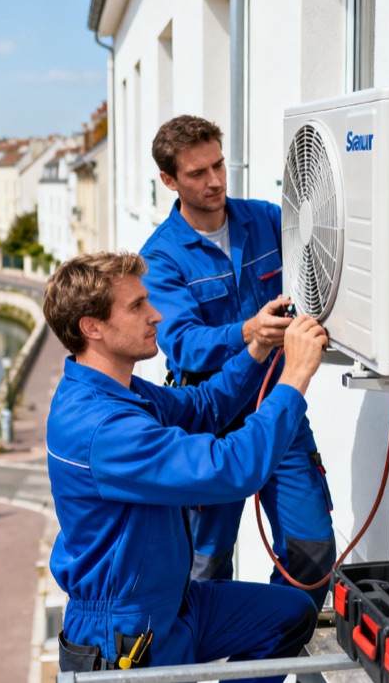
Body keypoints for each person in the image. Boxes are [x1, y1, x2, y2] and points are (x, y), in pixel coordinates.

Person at [44, 251, 326, 679]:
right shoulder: (101, 427)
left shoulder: (121, 392)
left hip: (175, 605)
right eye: (137, 305)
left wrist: (257, 349)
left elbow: (203, 407)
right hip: (123, 631)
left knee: (290, 614)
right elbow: (231, 468)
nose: (155, 315)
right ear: (92, 327)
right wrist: (295, 378)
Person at [139, 115, 336, 608]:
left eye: (219, 165)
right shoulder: (160, 258)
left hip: (279, 408)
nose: (215, 181)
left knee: (312, 559)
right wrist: (247, 331)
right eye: (197, 173)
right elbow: (182, 344)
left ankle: (261, 663)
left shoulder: (268, 219)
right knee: (205, 570)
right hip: (211, 424)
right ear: (169, 181)